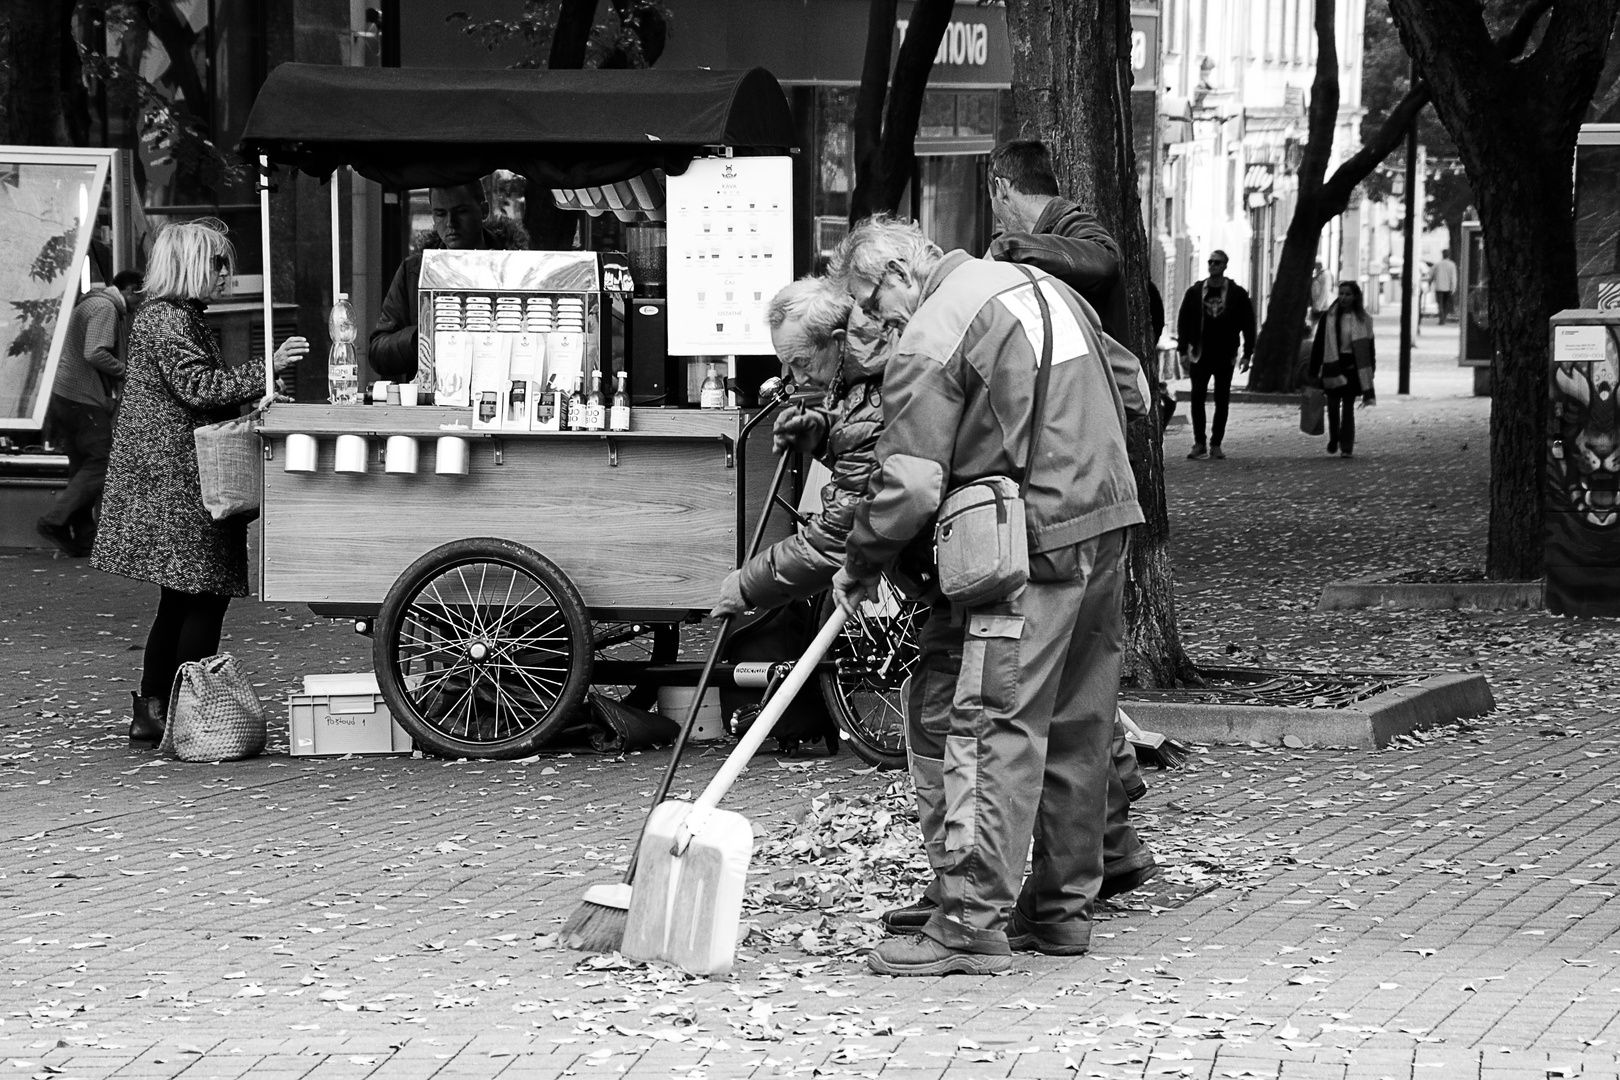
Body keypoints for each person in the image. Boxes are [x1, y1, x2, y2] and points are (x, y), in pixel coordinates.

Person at [831, 215, 1152, 976]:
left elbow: (909, 484)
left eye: (875, 303)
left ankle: (969, 923)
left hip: (1029, 541)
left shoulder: (936, 328)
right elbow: (1132, 386)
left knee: (994, 722)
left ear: (902, 273)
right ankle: (1059, 913)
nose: (879, 323)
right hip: (1106, 521)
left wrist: (861, 561)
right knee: (1079, 723)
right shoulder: (1047, 288)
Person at [92, 219, 309, 749]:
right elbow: (197, 387)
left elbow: (194, 392)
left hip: (177, 479)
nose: (226, 275)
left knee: (180, 599)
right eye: (217, 263)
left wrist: (252, 390)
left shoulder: (173, 317)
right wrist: (267, 369)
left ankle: (152, 710)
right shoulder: (168, 320)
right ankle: (189, 711)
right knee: (204, 596)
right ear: (189, 264)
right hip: (182, 483)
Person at [711, 278, 888, 618]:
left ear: (838, 342)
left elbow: (839, 535)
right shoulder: (869, 377)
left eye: (802, 362)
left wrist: (749, 586)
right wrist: (824, 433)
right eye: (786, 364)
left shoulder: (874, 395)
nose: (798, 378)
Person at [368, 180, 529, 381]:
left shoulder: (518, 267)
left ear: (484, 210)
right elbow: (377, 353)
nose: (451, 223)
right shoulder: (414, 271)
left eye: (461, 211)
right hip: (435, 403)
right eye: (440, 214)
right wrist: (421, 339)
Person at [36, 270, 144, 557]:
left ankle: (84, 536)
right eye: (141, 297)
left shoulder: (90, 303)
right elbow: (95, 353)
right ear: (132, 290)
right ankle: (54, 521)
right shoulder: (105, 308)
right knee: (101, 461)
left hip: (64, 396)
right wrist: (127, 372)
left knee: (82, 466)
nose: (140, 304)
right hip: (82, 397)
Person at [984, 139, 1128, 342]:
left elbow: (1106, 261)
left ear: (1001, 188)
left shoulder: (1075, 225)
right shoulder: (1036, 243)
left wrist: (1009, 245)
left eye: (991, 197)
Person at [1176, 250, 1255, 460]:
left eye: (1217, 262)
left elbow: (1248, 324)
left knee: (1222, 399)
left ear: (1225, 265)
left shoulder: (1237, 294)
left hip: (1225, 354)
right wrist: (1182, 349)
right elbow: (1183, 320)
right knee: (1197, 396)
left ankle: (1216, 443)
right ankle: (1199, 442)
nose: (1213, 265)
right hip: (1200, 353)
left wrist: (1248, 354)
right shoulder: (1195, 292)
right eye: (1210, 262)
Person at [1309, 281, 1376, 459]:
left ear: (1355, 297)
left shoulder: (1364, 320)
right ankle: (1334, 437)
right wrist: (1313, 371)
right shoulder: (1328, 318)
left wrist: (1371, 371)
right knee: (1332, 407)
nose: (1344, 298)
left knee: (1348, 408)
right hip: (1332, 365)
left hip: (1353, 368)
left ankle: (1346, 446)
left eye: (1348, 294)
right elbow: (1318, 346)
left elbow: (1370, 348)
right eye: (1341, 294)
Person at [1431, 249, 1458, 324]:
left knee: (1440, 304)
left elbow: (1431, 274)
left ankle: (1441, 318)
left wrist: (1430, 282)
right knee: (1446, 304)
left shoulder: (1437, 264)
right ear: (1449, 255)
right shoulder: (1452, 264)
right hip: (1448, 288)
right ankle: (1444, 317)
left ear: (1442, 255)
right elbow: (1453, 277)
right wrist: (1453, 287)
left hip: (1439, 287)